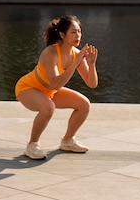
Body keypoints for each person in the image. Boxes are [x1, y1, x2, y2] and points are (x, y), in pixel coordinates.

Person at [15, 15, 98, 160]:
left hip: (49, 91)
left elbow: (92, 84)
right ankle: (32, 145)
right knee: (48, 107)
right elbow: (55, 83)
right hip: (28, 88)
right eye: (73, 32)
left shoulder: (76, 54)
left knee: (84, 104)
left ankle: (67, 141)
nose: (77, 36)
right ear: (62, 34)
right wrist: (75, 63)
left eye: (79, 31)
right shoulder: (50, 53)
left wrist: (91, 64)